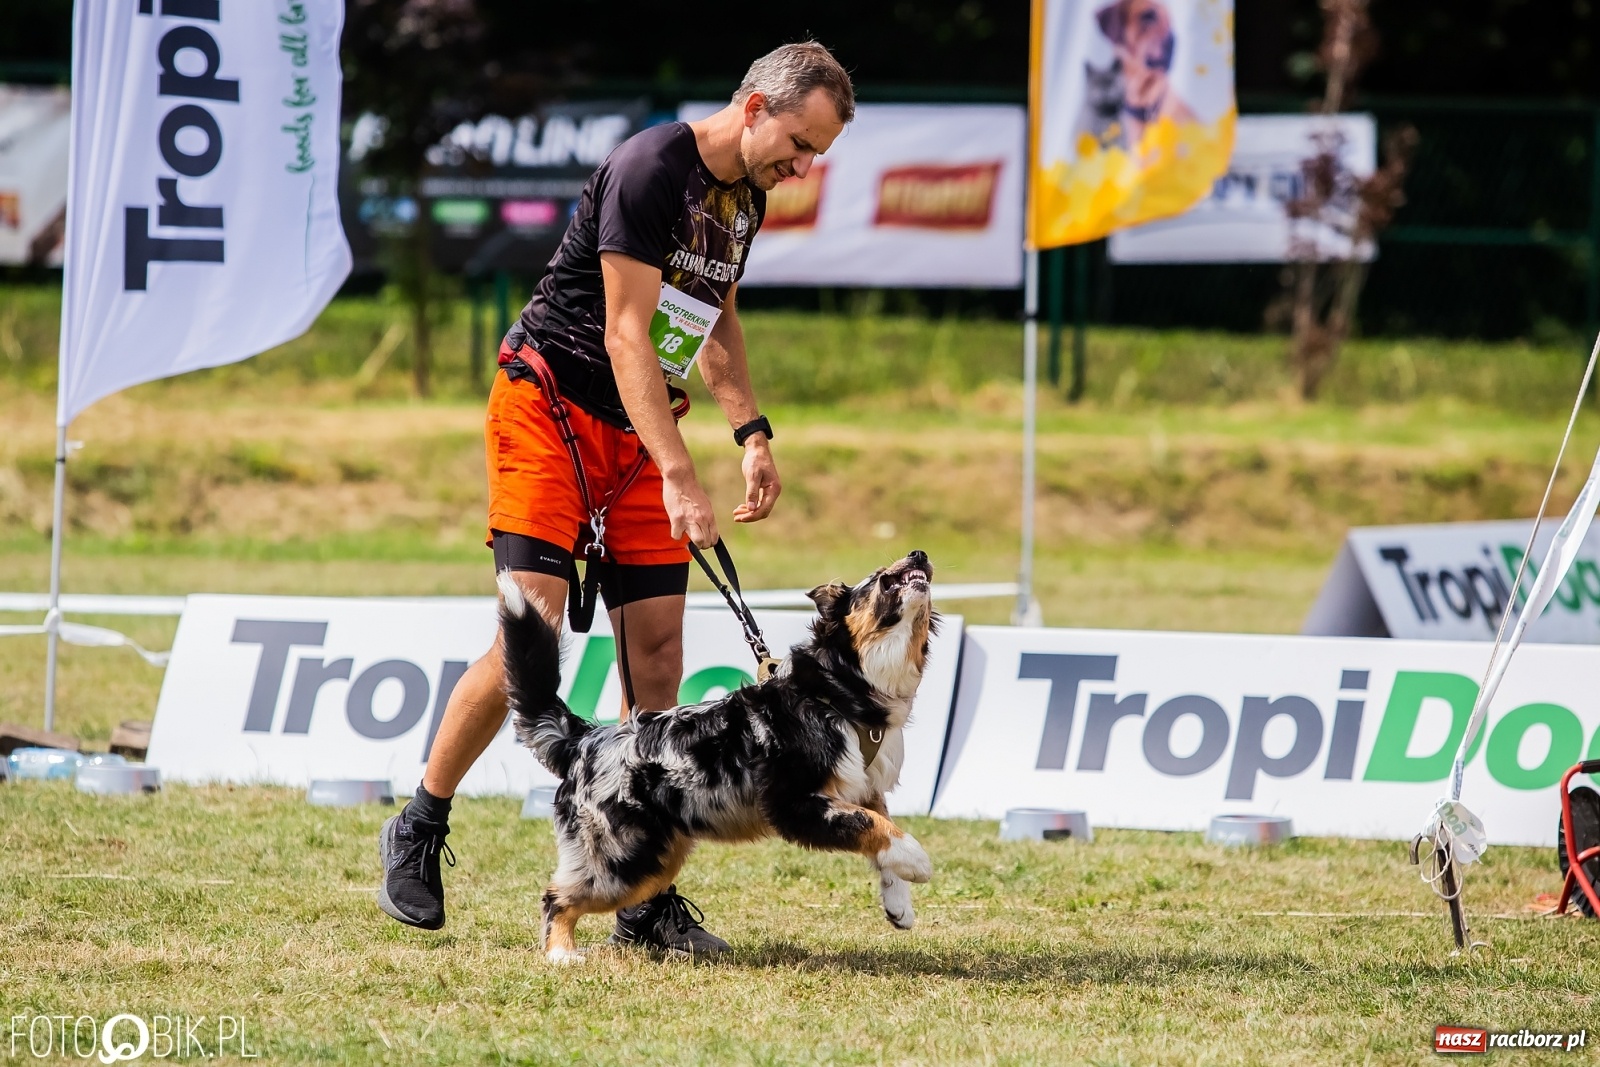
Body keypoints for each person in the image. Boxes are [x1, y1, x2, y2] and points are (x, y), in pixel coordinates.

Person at [376, 42, 855, 958]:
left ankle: (642, 894)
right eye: (799, 143)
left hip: (641, 428)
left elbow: (711, 319)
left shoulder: (742, 199)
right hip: (550, 403)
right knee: (536, 626)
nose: (803, 168)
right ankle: (421, 822)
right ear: (755, 107)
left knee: (659, 649)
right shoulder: (649, 170)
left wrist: (751, 430)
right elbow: (628, 334)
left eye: (817, 156)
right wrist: (683, 474)